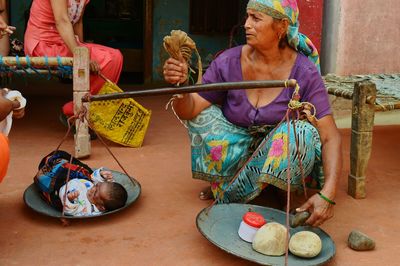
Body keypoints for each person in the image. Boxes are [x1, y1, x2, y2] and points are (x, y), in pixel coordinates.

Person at [163, 0, 342, 227]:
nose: (247, 24)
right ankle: (238, 182)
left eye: (256, 18)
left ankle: (239, 190)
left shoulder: (304, 72)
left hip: (277, 151)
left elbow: (330, 136)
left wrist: (328, 194)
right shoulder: (228, 61)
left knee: (302, 133)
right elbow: (190, 110)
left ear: (281, 27)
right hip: (238, 143)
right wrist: (180, 88)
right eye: (247, 16)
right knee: (203, 116)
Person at [24, 0, 123, 117]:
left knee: (116, 56)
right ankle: (76, 110)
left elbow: (78, 23)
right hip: (44, 46)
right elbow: (62, 21)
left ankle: (87, 109)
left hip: (65, 44)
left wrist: (83, 49)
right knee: (107, 57)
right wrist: (81, 55)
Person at [34, 150, 128, 216]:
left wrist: (70, 199)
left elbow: (70, 211)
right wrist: (101, 176)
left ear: (101, 207)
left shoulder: (86, 208)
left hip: (59, 189)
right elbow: (94, 180)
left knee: (58, 172)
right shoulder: (99, 190)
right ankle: (54, 163)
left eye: (95, 193)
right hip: (73, 178)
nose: (93, 188)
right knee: (86, 172)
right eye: (97, 186)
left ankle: (51, 169)